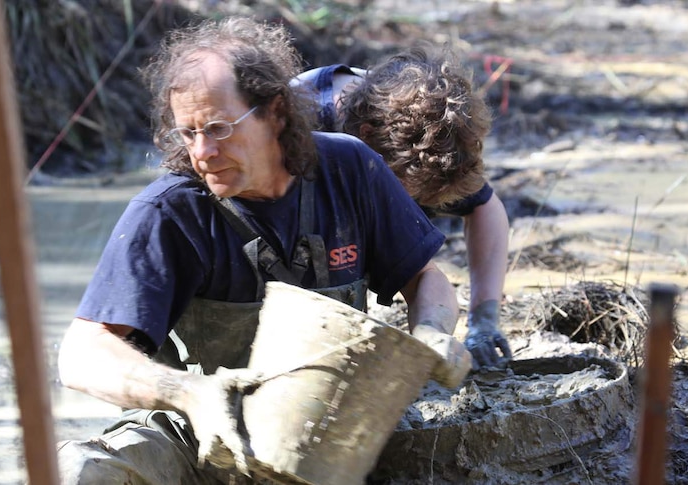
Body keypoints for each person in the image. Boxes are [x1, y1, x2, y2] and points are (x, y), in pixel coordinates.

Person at [56, 17, 471, 484]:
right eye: (187, 133)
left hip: (333, 431)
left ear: (275, 113)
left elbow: (425, 279)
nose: (202, 151)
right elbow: (82, 356)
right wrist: (189, 392)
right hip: (202, 437)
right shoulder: (169, 211)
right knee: (80, 471)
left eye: (217, 127)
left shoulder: (349, 167)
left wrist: (434, 331)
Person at [294, 48, 513, 370]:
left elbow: (485, 209)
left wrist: (484, 320)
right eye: (408, 194)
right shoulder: (295, 123)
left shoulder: (432, 133)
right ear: (367, 138)